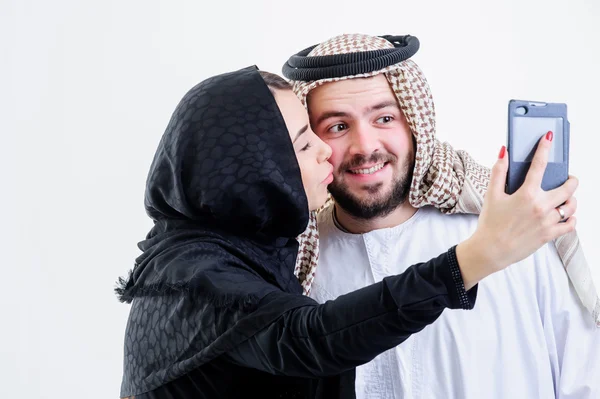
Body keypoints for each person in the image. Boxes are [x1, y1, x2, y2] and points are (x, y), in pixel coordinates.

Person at [115, 66, 578, 399]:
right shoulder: (195, 275)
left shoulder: (261, 253)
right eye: (317, 134)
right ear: (253, 165)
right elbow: (310, 339)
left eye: (384, 118)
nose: (333, 153)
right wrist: (480, 256)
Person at [283, 33, 599, 398]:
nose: (365, 147)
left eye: (385, 118)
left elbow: (585, 378)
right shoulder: (297, 264)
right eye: (337, 126)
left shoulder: (511, 233)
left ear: (416, 124)